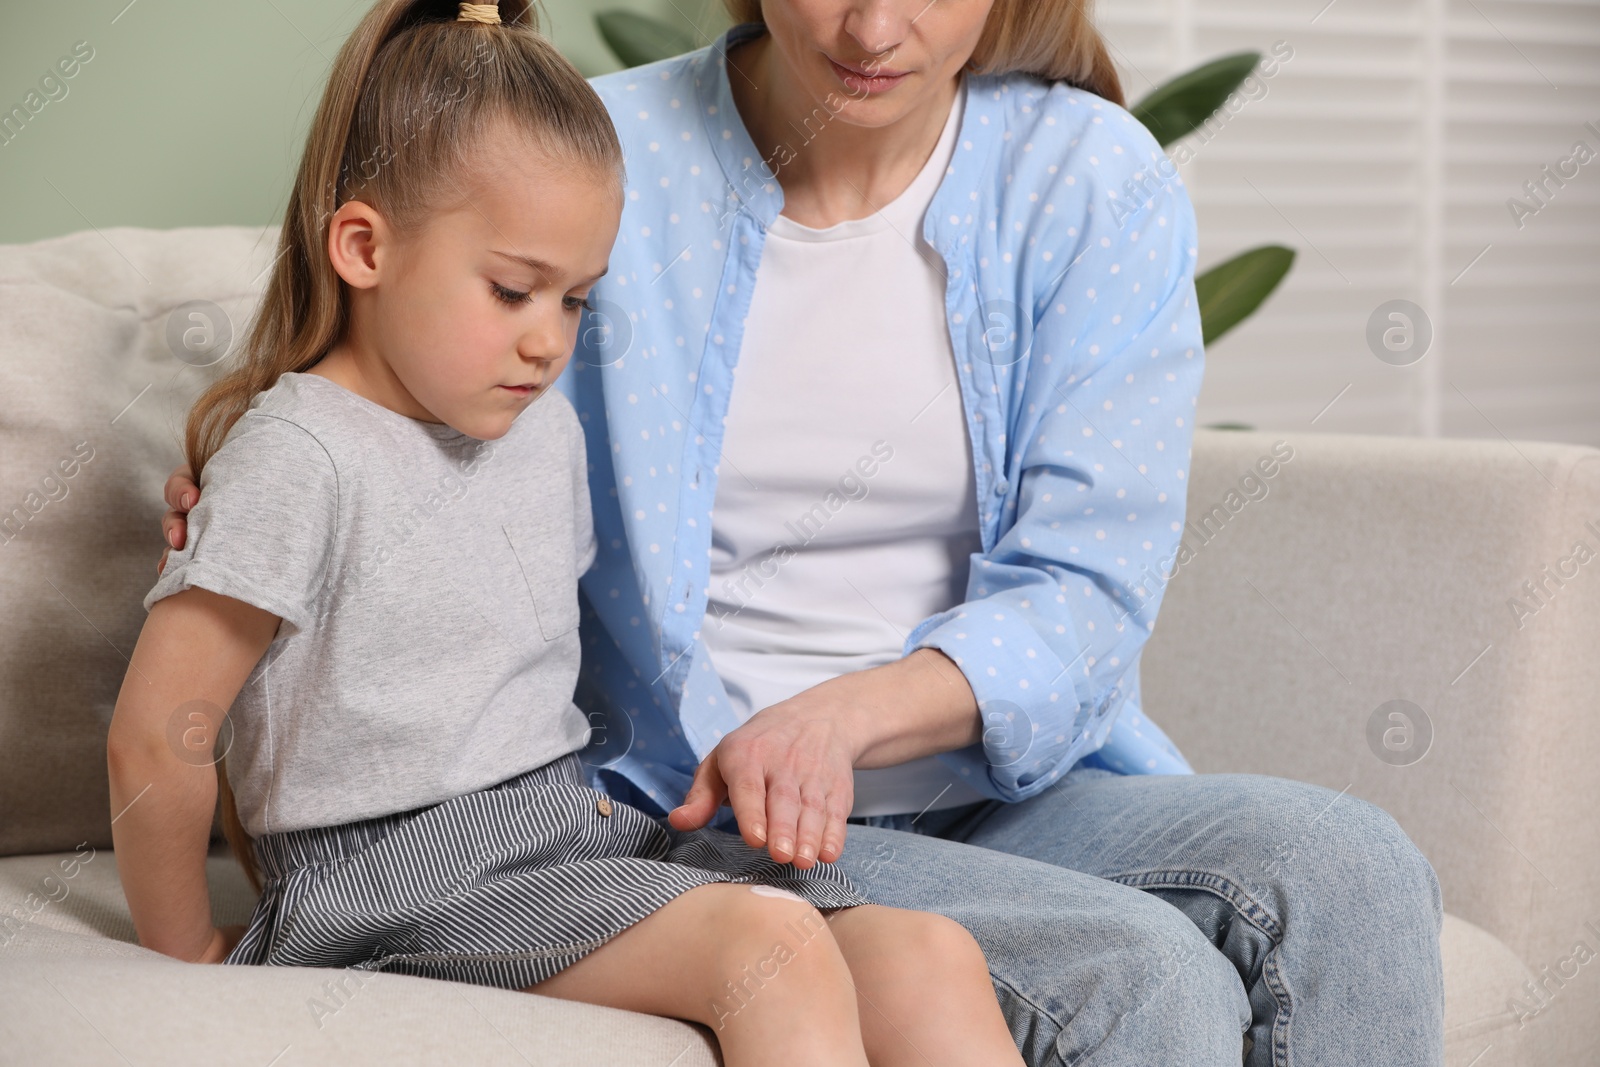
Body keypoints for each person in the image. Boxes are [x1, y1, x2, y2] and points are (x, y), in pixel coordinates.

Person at [161, 0, 1447, 1063]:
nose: (874, 26)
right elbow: (394, 359)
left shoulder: (1088, 180)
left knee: (1351, 864)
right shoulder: (605, 157)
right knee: (1148, 976)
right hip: (695, 798)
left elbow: (1086, 591)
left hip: (1005, 788)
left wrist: (840, 716)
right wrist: (251, 482)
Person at [115, 3, 1029, 1064]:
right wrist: (182, 949)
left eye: (578, 301)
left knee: (928, 954)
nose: (547, 341)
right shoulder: (301, 454)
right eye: (511, 291)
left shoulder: (535, 428)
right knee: (765, 942)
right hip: (384, 873)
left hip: (562, 827)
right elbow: (154, 733)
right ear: (364, 247)